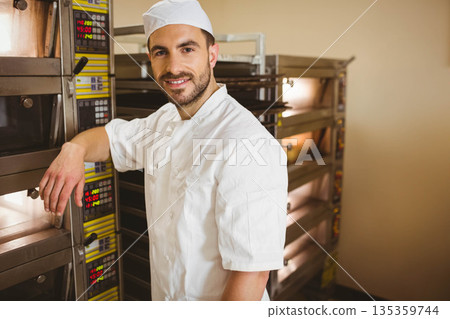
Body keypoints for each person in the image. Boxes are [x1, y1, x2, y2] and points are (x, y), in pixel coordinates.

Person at [39, 0, 287, 301]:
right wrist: (74, 148)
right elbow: (111, 138)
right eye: (161, 52)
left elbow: (252, 273)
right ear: (150, 58)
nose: (173, 67)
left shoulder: (246, 142)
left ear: (212, 54)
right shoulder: (166, 120)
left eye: (187, 49)